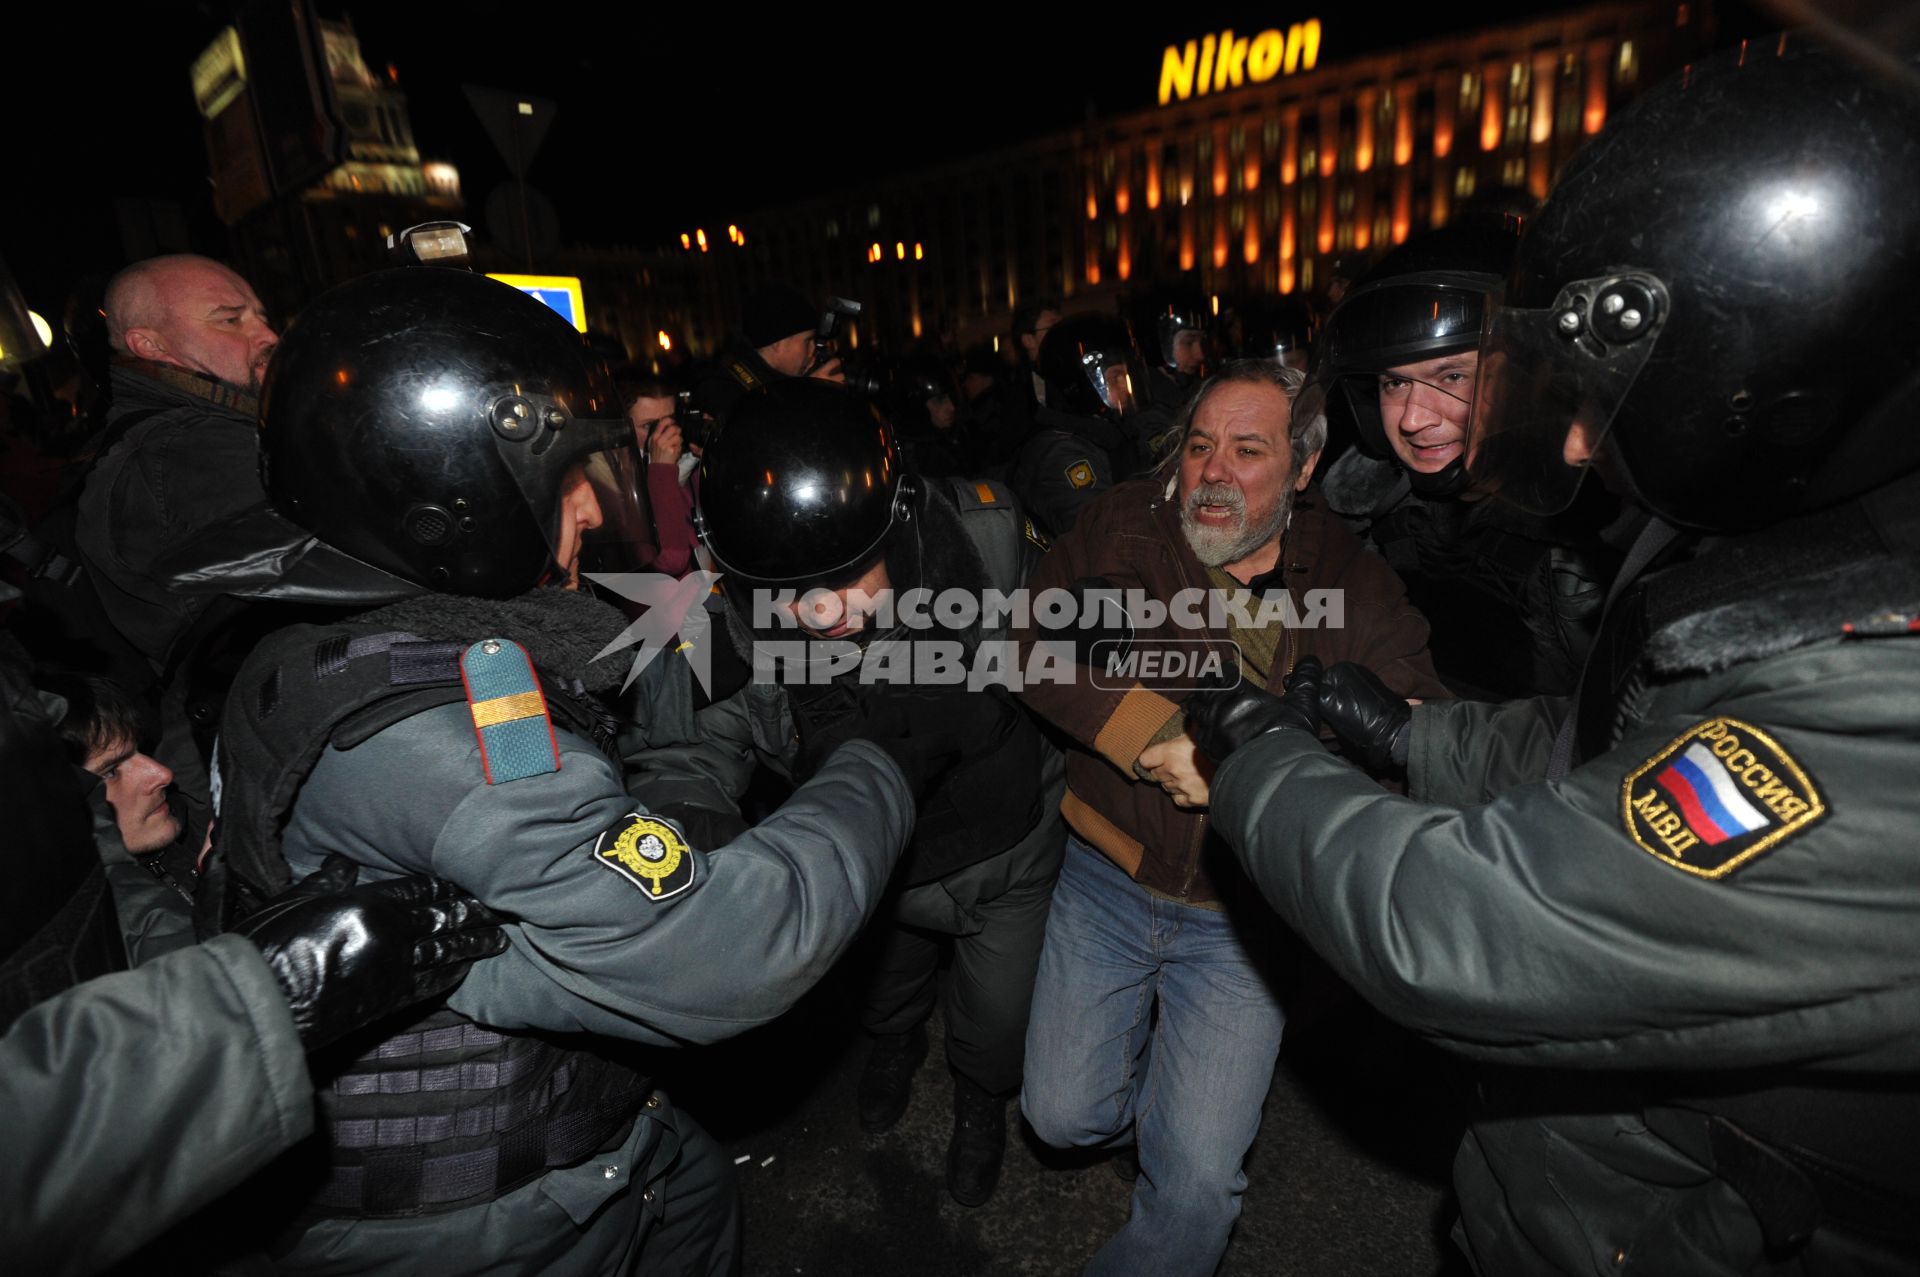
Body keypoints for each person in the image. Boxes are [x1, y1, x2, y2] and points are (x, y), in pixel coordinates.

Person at [1189, 41, 1920, 1276]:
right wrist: (1406, 734)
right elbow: (1622, 736)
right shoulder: (1789, 555)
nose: (1573, 439)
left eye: (1604, 394)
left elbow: (1457, 923)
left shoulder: (1873, 704)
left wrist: (1251, 750)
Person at [198, 266, 956, 1274]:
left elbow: (665, 696)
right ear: (454, 510)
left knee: (696, 1199)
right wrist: (877, 767)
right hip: (480, 1207)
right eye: (562, 489)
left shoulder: (338, 634)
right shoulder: (443, 740)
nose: (590, 517)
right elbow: (730, 944)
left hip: (586, 1121)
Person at [1014, 359, 1445, 1276]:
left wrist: (1261, 776)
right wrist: (1147, 729)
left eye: (1248, 451)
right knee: (1060, 1116)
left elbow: (1421, 751)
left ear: (1302, 470)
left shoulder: (1356, 587)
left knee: (1199, 1188)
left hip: (1246, 924)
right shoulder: (1125, 524)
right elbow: (1025, 639)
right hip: (1107, 878)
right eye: (1200, 444)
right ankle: (1169, 1107)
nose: (1211, 472)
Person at [631, 379, 1065, 1207]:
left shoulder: (991, 535)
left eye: (840, 575)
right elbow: (688, 745)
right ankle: (894, 1046)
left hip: (1006, 838)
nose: (813, 610)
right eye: (781, 590)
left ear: (898, 526)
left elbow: (1080, 653)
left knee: (998, 1018)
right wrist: (680, 847)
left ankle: (979, 1103)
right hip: (874, 866)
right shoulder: (730, 602)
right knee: (885, 991)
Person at [0, 625, 506, 1277]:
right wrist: (246, 956)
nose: (156, 774)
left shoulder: (174, 841)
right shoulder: (81, 951)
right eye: (110, 773)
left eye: (141, 752)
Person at [67, 254, 414, 822]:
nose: (267, 334)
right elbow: (379, 555)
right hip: (296, 762)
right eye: (231, 320)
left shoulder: (221, 434)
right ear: (149, 345)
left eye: (260, 315)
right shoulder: (184, 454)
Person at [1313, 225, 1618, 698]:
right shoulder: (1366, 516)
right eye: (1395, 383)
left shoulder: (1592, 547)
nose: (1413, 418)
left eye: (1451, 376)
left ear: (1525, 385)